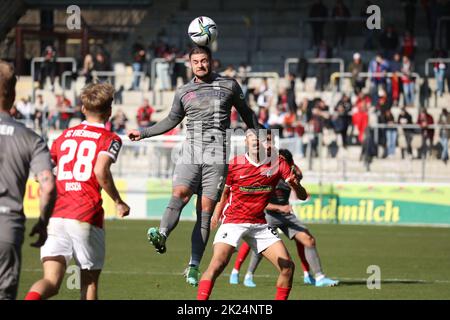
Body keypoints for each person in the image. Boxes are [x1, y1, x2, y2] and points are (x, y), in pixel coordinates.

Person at [127, 46, 261, 287]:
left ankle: (193, 265)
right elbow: (171, 120)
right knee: (179, 194)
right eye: (196, 61)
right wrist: (144, 132)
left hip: (217, 156)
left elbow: (247, 114)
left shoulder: (229, 86)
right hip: (191, 151)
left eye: (204, 60)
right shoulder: (184, 91)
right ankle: (162, 235)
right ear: (190, 64)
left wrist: (261, 134)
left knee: (205, 211)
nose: (200, 65)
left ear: (211, 62)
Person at [25, 83, 130, 300]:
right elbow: (100, 171)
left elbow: (41, 172)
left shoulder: (64, 136)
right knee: (88, 285)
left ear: (83, 108)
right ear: (109, 112)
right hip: (85, 214)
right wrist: (118, 201)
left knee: (51, 282)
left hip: (57, 215)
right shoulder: (110, 139)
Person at [197, 130, 308, 300]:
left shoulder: (278, 163)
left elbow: (302, 196)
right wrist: (216, 215)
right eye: (252, 138)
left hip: (259, 224)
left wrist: (295, 185)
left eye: (260, 138)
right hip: (233, 221)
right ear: (245, 142)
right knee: (217, 264)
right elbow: (225, 193)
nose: (256, 141)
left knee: (287, 267)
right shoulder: (234, 164)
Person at [229, 149, 338, 288]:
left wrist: (294, 175)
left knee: (308, 240)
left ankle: (319, 277)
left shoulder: (292, 174)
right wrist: (280, 208)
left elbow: (298, 179)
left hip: (286, 215)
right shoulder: (266, 174)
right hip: (268, 215)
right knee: (262, 247)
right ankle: (247, 275)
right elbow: (260, 202)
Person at [0, 60, 56, 300]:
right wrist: (43, 222)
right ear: (13, 94)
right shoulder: (31, 139)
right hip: (6, 227)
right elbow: (48, 187)